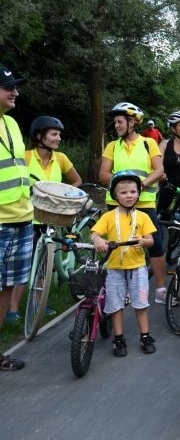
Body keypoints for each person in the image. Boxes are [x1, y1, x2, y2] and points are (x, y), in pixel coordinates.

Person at [7, 116, 82, 323]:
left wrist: (65, 195)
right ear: (40, 136)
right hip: (28, 217)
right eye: (54, 134)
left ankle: (39, 302)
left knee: (45, 263)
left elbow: (76, 180)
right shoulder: (26, 156)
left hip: (53, 218)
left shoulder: (61, 158)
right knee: (25, 264)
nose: (59, 138)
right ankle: (13, 309)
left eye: (59, 134)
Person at [99, 102, 167, 303]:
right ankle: (115, 288)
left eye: (120, 121)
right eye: (115, 122)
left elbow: (159, 170)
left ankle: (161, 288)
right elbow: (103, 174)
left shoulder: (148, 143)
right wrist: (122, 188)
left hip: (144, 203)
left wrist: (141, 186)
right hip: (116, 203)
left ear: (132, 122)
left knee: (155, 245)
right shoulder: (112, 146)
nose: (116, 125)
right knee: (116, 244)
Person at [90, 171, 157, 357]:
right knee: (115, 304)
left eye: (133, 192)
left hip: (137, 267)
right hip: (115, 268)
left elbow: (151, 240)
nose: (129, 196)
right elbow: (95, 233)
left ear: (138, 194)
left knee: (141, 303)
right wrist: (97, 241)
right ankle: (118, 338)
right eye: (124, 192)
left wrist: (144, 242)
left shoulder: (143, 217)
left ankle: (145, 336)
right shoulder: (109, 217)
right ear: (115, 195)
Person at [0, 64, 33, 370]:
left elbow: (19, 169)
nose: (15, 92)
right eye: (8, 87)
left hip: (22, 217)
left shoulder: (10, 123)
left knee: (9, 286)